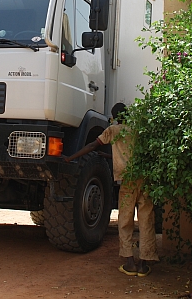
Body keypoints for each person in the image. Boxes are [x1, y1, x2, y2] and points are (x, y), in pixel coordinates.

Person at [64, 103, 159, 276]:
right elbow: (131, 153)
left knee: (125, 221)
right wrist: (109, 156)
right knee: (146, 221)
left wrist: (71, 157)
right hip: (144, 180)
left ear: (114, 117)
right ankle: (144, 264)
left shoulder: (113, 130)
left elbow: (93, 145)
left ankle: (129, 262)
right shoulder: (139, 129)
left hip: (128, 182)